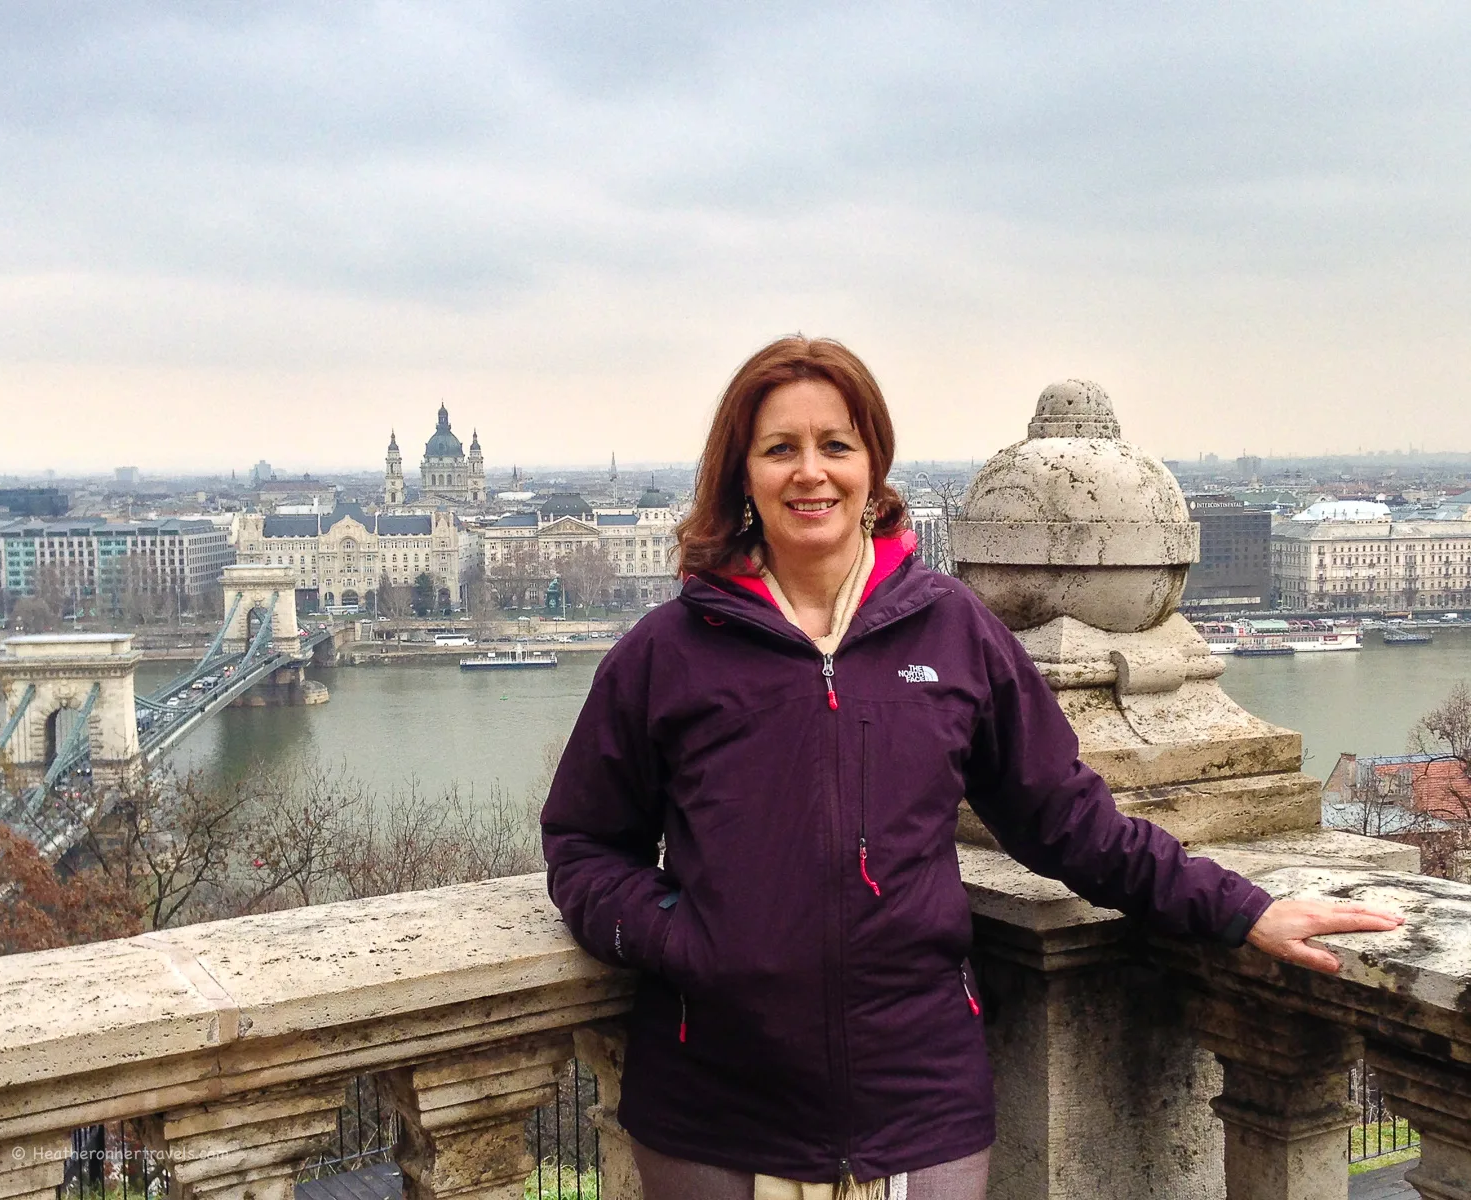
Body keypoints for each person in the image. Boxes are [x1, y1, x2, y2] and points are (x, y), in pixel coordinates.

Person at [540, 336, 1402, 1200]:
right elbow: (584, 844)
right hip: (711, 1108)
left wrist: (1241, 909)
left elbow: (1067, 820)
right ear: (743, 473)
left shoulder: (952, 629)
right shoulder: (669, 651)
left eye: (836, 444)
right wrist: (682, 940)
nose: (811, 472)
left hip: (919, 1100)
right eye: (780, 448)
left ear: (872, 466)